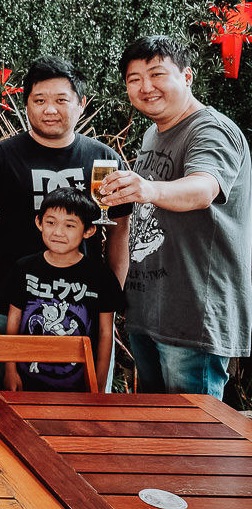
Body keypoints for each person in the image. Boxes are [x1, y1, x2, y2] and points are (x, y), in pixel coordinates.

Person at [100, 35, 252, 398]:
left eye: (156, 74)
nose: (145, 87)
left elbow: (204, 189)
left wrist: (147, 190)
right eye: (134, 79)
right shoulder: (155, 133)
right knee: (158, 437)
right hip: (151, 311)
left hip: (192, 316)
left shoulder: (210, 129)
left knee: (191, 442)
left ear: (187, 76)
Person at [0, 56, 131, 338]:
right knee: (12, 381)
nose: (50, 110)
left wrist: (110, 299)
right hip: (16, 305)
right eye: (39, 100)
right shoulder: (0, 156)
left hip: (85, 305)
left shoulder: (104, 159)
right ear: (27, 104)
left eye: (61, 100)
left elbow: (119, 232)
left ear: (81, 104)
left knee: (84, 382)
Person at [1, 187, 125, 392]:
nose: (58, 232)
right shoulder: (23, 268)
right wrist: (10, 370)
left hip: (80, 385)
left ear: (88, 230)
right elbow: (13, 322)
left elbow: (105, 333)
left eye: (70, 225)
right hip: (27, 382)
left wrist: (99, 384)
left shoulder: (101, 276)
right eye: (50, 222)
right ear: (39, 223)